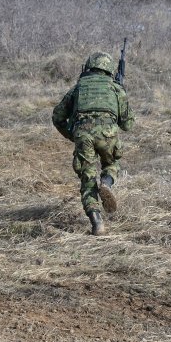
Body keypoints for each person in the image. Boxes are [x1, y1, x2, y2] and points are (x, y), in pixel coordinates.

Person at [52, 52, 134, 236]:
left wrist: (72, 135)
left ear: (88, 67)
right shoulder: (115, 88)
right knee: (111, 164)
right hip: (107, 134)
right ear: (109, 70)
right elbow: (128, 124)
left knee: (87, 180)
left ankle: (97, 223)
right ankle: (106, 183)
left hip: (83, 136)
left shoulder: (78, 88)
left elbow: (57, 116)